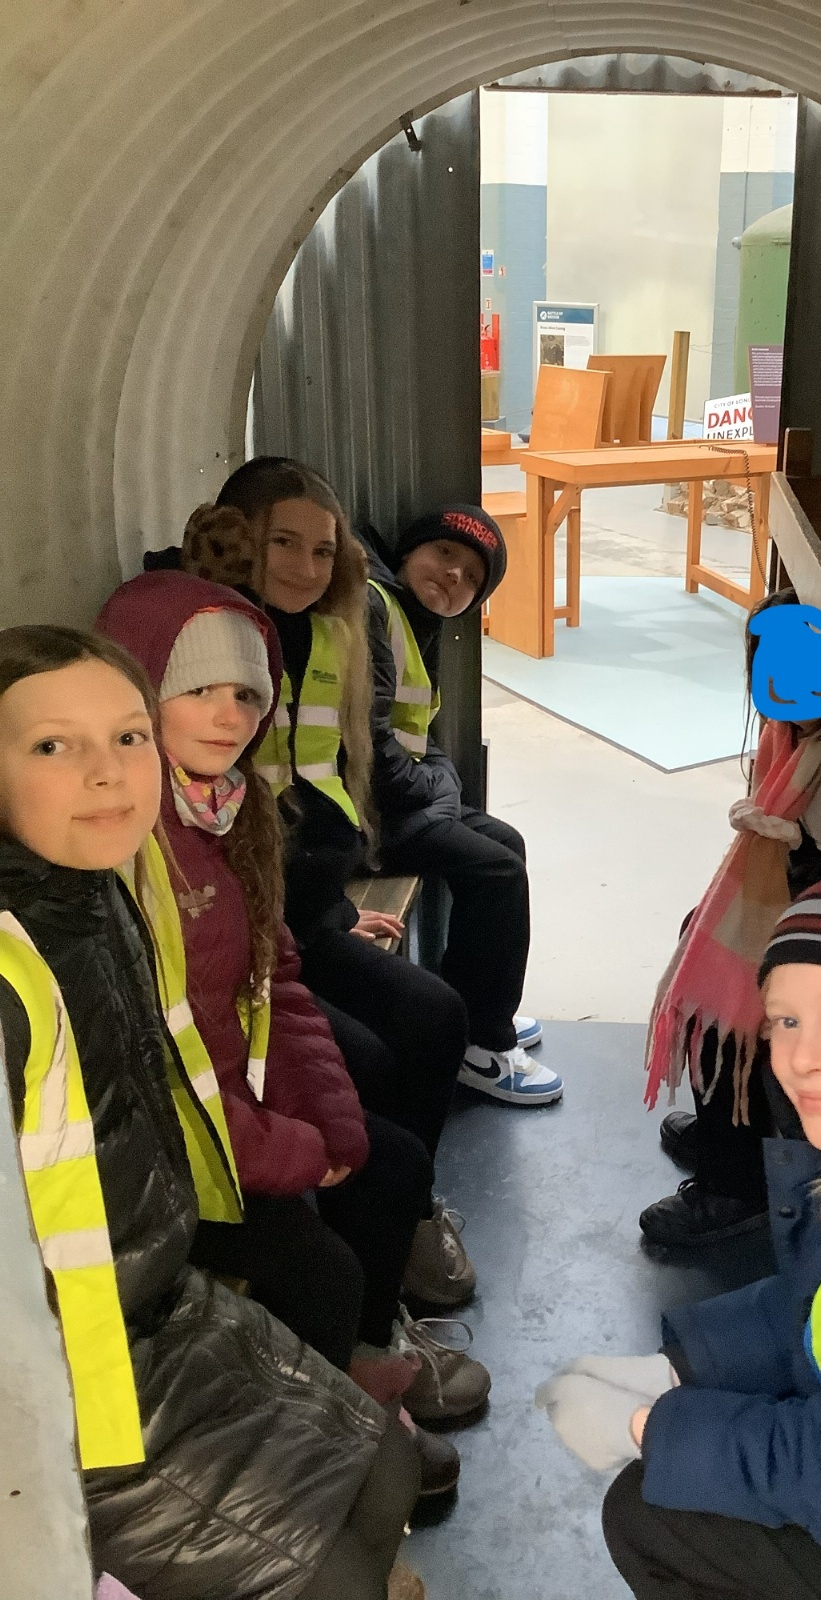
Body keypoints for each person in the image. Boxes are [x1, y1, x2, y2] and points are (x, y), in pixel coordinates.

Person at [0, 624, 424, 1600]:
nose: (107, 773)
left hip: (158, 1300)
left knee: (387, 1467)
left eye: (127, 737)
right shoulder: (14, 964)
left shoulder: (101, 893)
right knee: (333, 1573)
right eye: (55, 745)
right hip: (78, 1389)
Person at [96, 571, 490, 1455]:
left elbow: (273, 976)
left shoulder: (228, 812)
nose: (229, 715)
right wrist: (290, 1146)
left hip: (231, 1099)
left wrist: (328, 1118)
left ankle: (370, 1355)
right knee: (322, 1268)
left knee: (385, 1153)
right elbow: (156, 1061)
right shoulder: (123, 840)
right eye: (197, 689)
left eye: (247, 693)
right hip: (175, 1149)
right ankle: (341, 1433)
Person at [542, 846, 821, 1600]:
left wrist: (650, 1427)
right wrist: (684, 1368)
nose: (804, 1057)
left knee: (653, 1517)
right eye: (786, 1020)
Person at [187, 461, 475, 1307]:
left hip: (305, 912)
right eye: (283, 542)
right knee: (371, 1063)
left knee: (437, 1015)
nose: (306, 567)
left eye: (322, 549)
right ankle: (367, 1245)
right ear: (238, 539)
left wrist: (340, 909)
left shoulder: (334, 628)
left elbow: (326, 779)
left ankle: (405, 1217)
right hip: (255, 933)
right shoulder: (208, 645)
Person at [640, 590, 821, 1248]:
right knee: (702, 937)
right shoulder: (795, 735)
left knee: (733, 989)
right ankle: (728, 1131)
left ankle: (736, 1185)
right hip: (812, 897)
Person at [360, 507, 563, 1106]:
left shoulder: (412, 621)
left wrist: (439, 786)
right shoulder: (373, 609)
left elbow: (421, 738)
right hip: (360, 815)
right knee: (497, 872)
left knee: (506, 844)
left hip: (396, 802)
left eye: (473, 576)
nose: (454, 575)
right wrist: (435, 792)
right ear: (408, 553)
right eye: (444, 554)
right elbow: (369, 746)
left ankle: (476, 1010)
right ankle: (482, 1046)